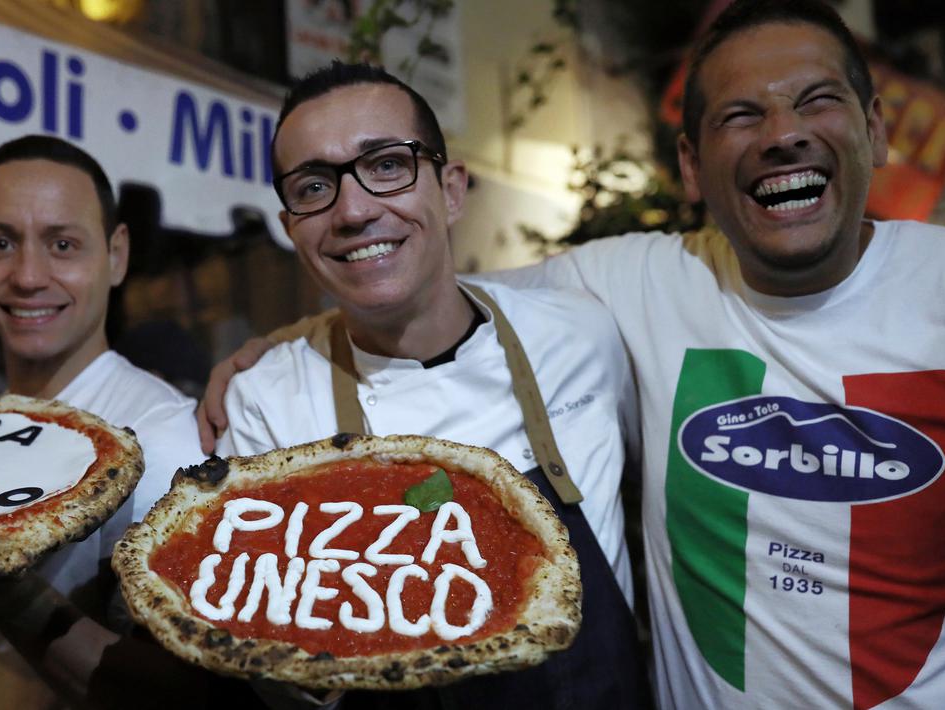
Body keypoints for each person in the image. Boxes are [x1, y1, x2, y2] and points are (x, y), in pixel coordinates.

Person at [203, 1, 945, 708]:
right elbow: (405, 279)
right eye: (740, 115)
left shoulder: (577, 329)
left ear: (876, 130)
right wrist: (279, 345)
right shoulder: (633, 283)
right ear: (690, 164)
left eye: (815, 100)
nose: (782, 133)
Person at [213, 60, 647, 708]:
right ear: (289, 228)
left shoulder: (581, 337)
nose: (354, 210)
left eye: (385, 164)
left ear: (449, 189)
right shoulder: (265, 408)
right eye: (312, 187)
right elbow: (269, 665)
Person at [0, 135, 205, 710]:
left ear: (116, 256)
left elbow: (171, 691)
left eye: (62, 244)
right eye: (0, 243)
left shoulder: (158, 436)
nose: (27, 276)